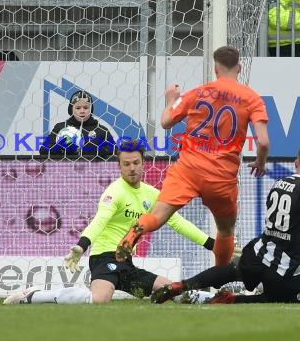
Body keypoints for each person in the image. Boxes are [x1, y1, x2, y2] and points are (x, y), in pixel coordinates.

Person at [150, 144, 300, 304]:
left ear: (295, 162)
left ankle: (183, 285)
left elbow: (288, 222)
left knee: (235, 271)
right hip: (283, 267)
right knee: (296, 298)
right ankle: (232, 300)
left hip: (260, 252)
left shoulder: (281, 183)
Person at [3, 139, 222, 305]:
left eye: (136, 163)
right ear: (119, 166)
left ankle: (221, 299)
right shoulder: (114, 192)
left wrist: (214, 245)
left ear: (144, 164)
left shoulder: (153, 194)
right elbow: (99, 221)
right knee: (99, 300)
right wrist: (81, 245)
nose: (132, 168)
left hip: (126, 264)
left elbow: (177, 222)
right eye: (126, 164)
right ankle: (32, 295)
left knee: (169, 291)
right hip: (104, 257)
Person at [116, 45, 270, 268]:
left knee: (158, 216)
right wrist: (260, 161)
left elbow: (166, 121)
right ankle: (218, 276)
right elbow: (263, 141)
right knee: (225, 230)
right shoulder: (252, 98)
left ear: (215, 68)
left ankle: (133, 233)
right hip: (221, 176)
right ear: (239, 67)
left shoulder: (198, 92)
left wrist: (171, 99)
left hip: (187, 169)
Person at [39, 90, 115, 159]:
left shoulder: (100, 130)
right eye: (78, 108)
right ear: (71, 109)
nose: (82, 111)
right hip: (66, 171)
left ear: (91, 109)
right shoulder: (61, 127)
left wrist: (100, 150)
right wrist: (60, 149)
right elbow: (43, 150)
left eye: (86, 108)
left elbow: (115, 150)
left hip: (92, 172)